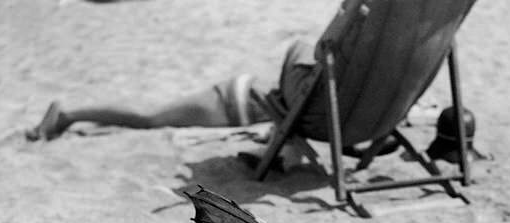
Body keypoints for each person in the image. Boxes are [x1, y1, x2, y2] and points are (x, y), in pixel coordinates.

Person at [26, 41, 319, 142]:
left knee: (151, 114)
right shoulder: (339, 109)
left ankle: (80, 116)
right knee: (150, 117)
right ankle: (68, 114)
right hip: (233, 103)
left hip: (242, 97)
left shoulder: (335, 91)